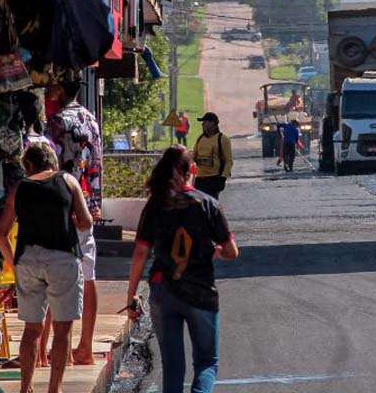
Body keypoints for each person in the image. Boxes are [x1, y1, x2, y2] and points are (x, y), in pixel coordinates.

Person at [125, 146, 239, 393]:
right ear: (193, 170)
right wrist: (214, 251)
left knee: (173, 366)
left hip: (163, 289)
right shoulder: (207, 204)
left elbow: (141, 252)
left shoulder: (155, 205)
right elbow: (231, 251)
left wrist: (132, 294)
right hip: (200, 291)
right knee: (207, 362)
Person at [0, 141, 93, 393]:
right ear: (53, 160)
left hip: (28, 259)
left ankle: (25, 387)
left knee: (32, 328)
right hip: (62, 259)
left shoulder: (20, 188)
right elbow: (85, 221)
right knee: (62, 329)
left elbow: (0, 234)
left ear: (28, 165)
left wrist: (14, 263)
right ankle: (53, 390)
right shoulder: (68, 181)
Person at [45, 78, 101, 365]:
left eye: (52, 85)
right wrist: (95, 204)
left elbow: (48, 168)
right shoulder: (90, 118)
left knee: (56, 277)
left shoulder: (56, 122)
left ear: (61, 90)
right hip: (87, 208)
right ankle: (85, 347)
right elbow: (97, 164)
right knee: (88, 276)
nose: (48, 89)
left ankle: (59, 351)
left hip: (63, 209)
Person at [192, 112, 233, 199]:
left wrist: (223, 178)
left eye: (204, 122)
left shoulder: (222, 139)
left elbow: (228, 161)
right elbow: (194, 156)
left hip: (214, 178)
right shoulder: (200, 139)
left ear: (213, 124)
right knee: (199, 205)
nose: (202, 124)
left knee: (211, 204)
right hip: (200, 178)